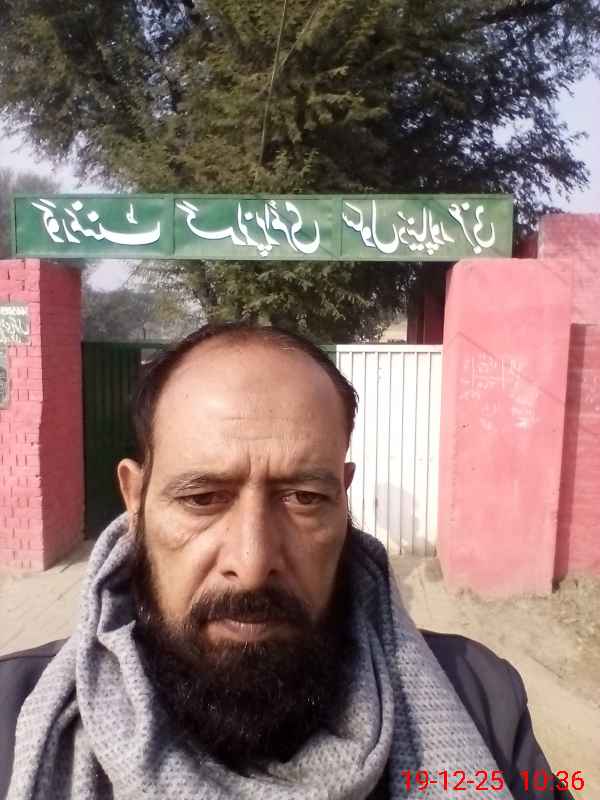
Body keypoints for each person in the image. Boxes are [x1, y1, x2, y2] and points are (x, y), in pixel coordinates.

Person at [0, 323, 570, 800]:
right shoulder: (10, 719)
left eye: (303, 498)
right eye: (203, 499)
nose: (252, 564)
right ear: (136, 500)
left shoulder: (481, 701)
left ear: (343, 497)